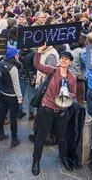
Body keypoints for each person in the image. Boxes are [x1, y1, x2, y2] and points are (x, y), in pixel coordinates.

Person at [32, 44, 77, 176]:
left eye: (66, 59)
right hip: (46, 109)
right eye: (62, 58)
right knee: (40, 136)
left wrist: (69, 95)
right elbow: (37, 65)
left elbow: (74, 93)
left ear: (70, 62)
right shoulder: (52, 71)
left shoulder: (72, 78)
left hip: (61, 111)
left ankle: (63, 158)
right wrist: (39, 52)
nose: (63, 60)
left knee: (62, 137)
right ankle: (36, 161)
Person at [0, 45, 23, 147]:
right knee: (13, 118)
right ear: (14, 55)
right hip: (12, 96)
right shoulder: (14, 68)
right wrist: (19, 98)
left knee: (2, 114)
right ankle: (14, 139)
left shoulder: (0, 63)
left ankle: (0, 133)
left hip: (2, 93)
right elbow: (16, 85)